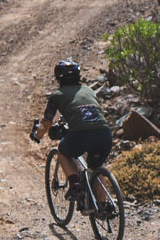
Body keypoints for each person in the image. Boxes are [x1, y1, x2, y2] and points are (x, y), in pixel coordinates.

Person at [31, 60, 114, 214]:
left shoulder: (57, 95)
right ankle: (103, 206)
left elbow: (47, 122)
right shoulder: (89, 90)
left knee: (62, 151)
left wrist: (37, 135)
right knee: (95, 168)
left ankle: (75, 185)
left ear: (58, 79)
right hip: (104, 134)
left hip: (81, 134)